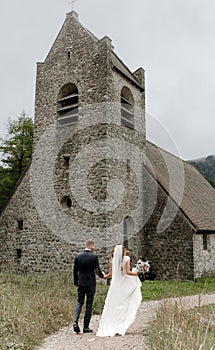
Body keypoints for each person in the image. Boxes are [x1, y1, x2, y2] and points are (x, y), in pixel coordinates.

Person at [96, 244, 142, 337]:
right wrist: (136, 273)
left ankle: (111, 323)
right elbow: (128, 272)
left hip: (115, 286)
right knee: (124, 303)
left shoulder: (112, 261)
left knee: (113, 304)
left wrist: (104, 276)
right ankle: (121, 323)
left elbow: (111, 274)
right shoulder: (126, 259)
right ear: (123, 251)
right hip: (124, 284)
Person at [73, 239, 104, 334]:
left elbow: (75, 271)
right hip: (90, 283)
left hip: (81, 282)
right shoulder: (94, 256)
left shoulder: (78, 256)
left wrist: (76, 282)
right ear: (92, 246)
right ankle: (86, 327)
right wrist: (103, 276)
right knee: (89, 304)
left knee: (79, 302)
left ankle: (75, 321)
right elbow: (97, 270)